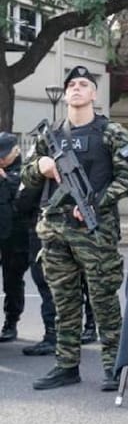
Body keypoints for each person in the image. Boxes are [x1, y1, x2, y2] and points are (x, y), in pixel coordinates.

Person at [23, 66, 128, 390]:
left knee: (103, 301)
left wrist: (97, 202)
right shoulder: (48, 136)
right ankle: (66, 365)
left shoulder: (111, 132)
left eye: (84, 84)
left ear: (94, 93)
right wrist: (41, 165)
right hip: (55, 231)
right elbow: (25, 175)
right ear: (65, 95)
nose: (77, 89)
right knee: (64, 302)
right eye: (72, 85)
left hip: (96, 231)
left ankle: (113, 367)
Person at [0, 133, 30, 342]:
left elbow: (23, 194)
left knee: (12, 280)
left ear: (15, 151)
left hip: (17, 236)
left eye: (4, 155)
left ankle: (11, 322)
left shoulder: (25, 172)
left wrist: (5, 180)